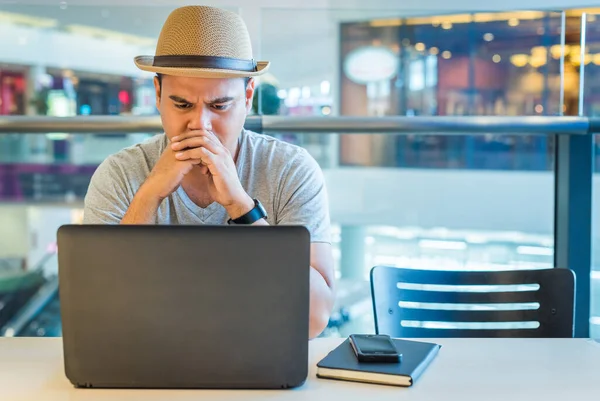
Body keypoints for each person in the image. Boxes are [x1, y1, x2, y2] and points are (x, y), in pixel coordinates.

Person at [83, 5, 334, 339]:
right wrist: (150, 193)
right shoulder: (119, 173)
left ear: (247, 97)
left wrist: (242, 207)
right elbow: (97, 308)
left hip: (259, 358)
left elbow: (314, 320)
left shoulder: (290, 170)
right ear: (158, 94)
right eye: (182, 104)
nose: (199, 124)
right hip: (148, 357)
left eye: (219, 106)